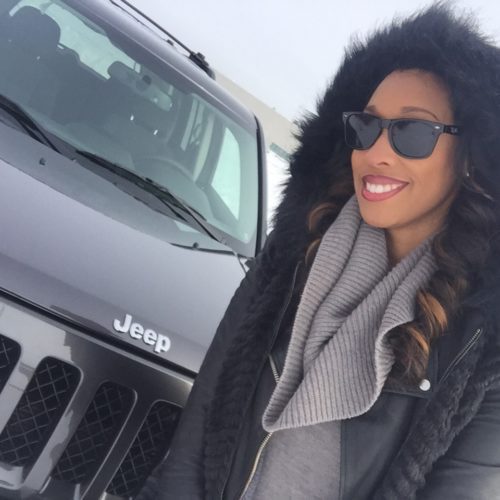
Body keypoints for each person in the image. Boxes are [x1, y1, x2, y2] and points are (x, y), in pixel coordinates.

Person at [140, 3, 500, 499]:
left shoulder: (484, 348)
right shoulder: (293, 254)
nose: (375, 153)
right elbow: (201, 427)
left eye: (413, 132)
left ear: (470, 156)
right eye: (366, 127)